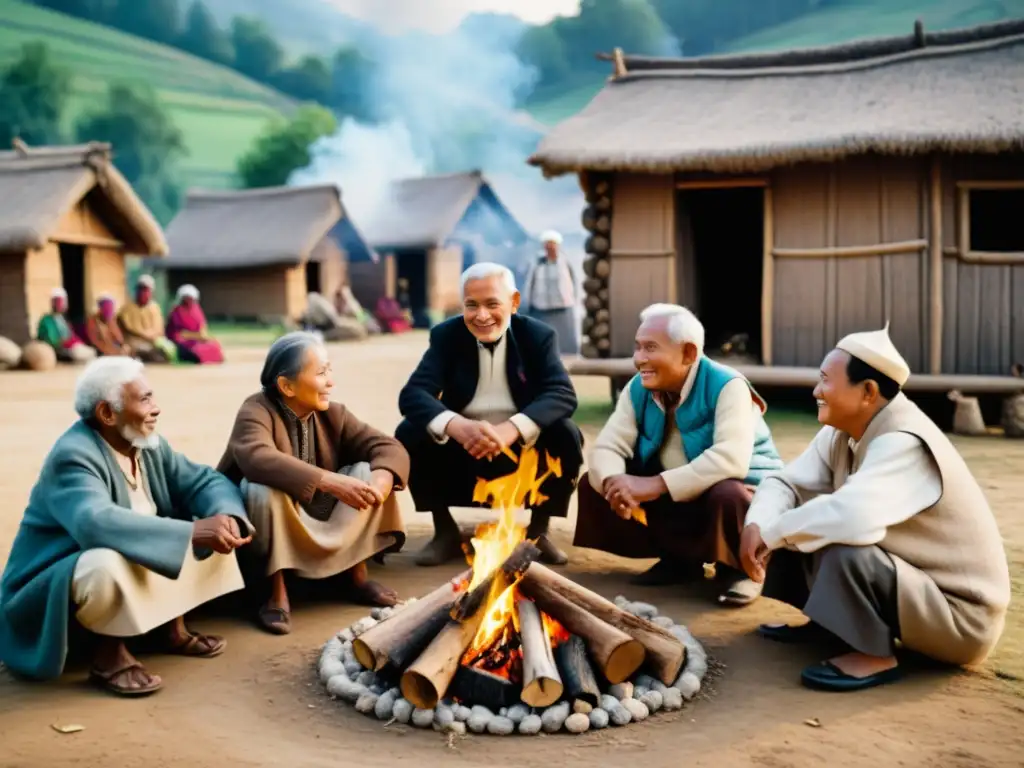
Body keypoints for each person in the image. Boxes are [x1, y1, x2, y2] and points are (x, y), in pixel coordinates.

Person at [741, 325, 1011, 692]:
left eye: (825, 381)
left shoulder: (905, 441)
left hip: (961, 619)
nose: (816, 391)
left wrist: (774, 534)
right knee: (798, 520)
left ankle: (872, 655)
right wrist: (758, 524)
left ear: (868, 392)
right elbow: (786, 483)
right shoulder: (842, 430)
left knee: (838, 540)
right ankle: (831, 625)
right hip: (915, 587)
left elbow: (854, 518)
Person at [0, 357, 252, 696]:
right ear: (107, 414)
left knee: (206, 529)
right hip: (45, 590)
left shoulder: (146, 444)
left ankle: (169, 629)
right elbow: (95, 522)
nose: (157, 408)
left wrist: (227, 517)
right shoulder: (72, 455)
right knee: (105, 562)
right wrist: (193, 532)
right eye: (145, 399)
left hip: (117, 563)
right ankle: (109, 654)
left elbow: (203, 481)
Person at [575, 303, 783, 603]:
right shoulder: (638, 387)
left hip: (740, 489)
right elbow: (609, 444)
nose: (639, 359)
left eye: (650, 348)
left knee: (728, 493)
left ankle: (741, 570)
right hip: (681, 487)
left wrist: (654, 485)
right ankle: (680, 560)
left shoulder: (728, 385)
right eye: (637, 348)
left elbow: (731, 459)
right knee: (598, 482)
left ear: (688, 353)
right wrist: (614, 484)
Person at [217, 332, 408, 635]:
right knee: (261, 489)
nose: (331, 381)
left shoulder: (334, 414)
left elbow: (387, 447)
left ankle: (354, 576)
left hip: (317, 515)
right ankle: (274, 591)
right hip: (269, 524)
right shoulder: (255, 410)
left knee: (364, 471)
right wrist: (328, 481)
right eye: (321, 373)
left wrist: (381, 483)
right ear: (286, 386)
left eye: (329, 370)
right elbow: (256, 457)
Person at [396, 262, 583, 567]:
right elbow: (413, 394)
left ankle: (538, 532)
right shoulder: (447, 336)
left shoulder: (538, 336)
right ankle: (444, 530)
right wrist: (456, 426)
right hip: (465, 447)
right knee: (410, 431)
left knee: (565, 433)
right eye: (472, 305)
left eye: (492, 304)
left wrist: (512, 429)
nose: (482, 315)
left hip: (522, 448)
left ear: (514, 302)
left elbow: (562, 393)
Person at [522, 230, 580, 355]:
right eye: (547, 244)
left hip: (563, 306)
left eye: (553, 244)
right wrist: (528, 302)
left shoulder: (565, 261)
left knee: (564, 336)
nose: (550, 247)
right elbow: (529, 283)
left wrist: (573, 299)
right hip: (541, 306)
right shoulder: (537, 262)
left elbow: (574, 281)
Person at [118, 275, 175, 364]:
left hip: (154, 341)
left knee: (167, 349)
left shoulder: (155, 308)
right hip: (135, 342)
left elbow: (159, 328)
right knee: (141, 350)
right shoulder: (127, 309)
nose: (144, 293)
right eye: (141, 290)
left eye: (147, 290)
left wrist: (154, 337)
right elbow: (131, 328)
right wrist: (147, 335)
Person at [166, 285, 225, 364]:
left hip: (197, 340)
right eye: (187, 298)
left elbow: (202, 328)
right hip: (183, 342)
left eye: (191, 298)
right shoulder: (176, 312)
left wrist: (204, 337)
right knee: (192, 351)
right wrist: (197, 336)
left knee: (214, 345)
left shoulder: (196, 309)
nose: (189, 300)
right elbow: (179, 334)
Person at [36, 287, 96, 363]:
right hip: (56, 350)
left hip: (69, 347)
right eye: (57, 302)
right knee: (81, 354)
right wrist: (67, 342)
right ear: (52, 303)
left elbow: (71, 335)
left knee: (90, 352)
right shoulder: (46, 320)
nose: (59, 305)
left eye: (61, 302)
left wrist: (76, 342)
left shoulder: (63, 319)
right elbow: (52, 340)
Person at [301, 290, 367, 342]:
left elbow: (361, 317)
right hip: (334, 322)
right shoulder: (317, 301)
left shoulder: (351, 306)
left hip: (357, 323)